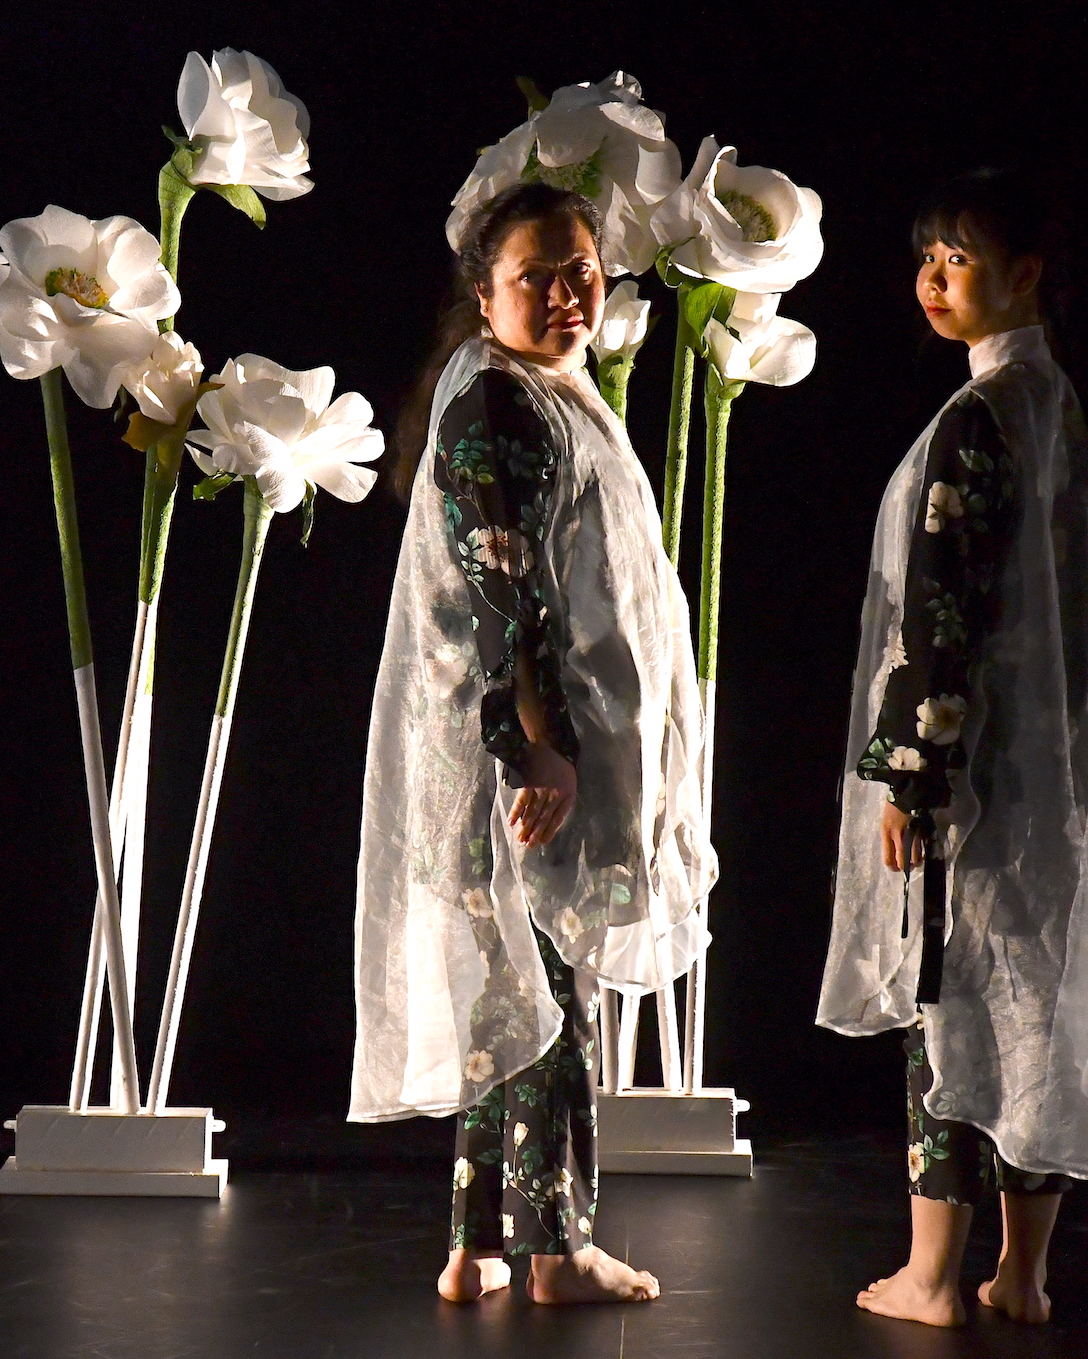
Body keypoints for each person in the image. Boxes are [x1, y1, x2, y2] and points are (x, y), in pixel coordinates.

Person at [818, 168, 1088, 1327]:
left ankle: (931, 1277)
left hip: (975, 771)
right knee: (1035, 1001)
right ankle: (1020, 1275)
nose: (931, 278)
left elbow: (940, 616)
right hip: (1047, 765)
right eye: (925, 256)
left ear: (1023, 275)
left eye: (958, 258)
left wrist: (910, 777)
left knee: (953, 1003)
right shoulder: (1049, 400)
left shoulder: (983, 416)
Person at [351, 182, 716, 1306]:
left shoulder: (533, 392)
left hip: (498, 754)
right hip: (513, 757)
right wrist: (540, 748)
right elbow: (503, 603)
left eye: (581, 272)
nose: (566, 295)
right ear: (483, 292)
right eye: (536, 277)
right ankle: (558, 1249)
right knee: (548, 990)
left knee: (504, 996)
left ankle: (476, 1246)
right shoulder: (498, 407)